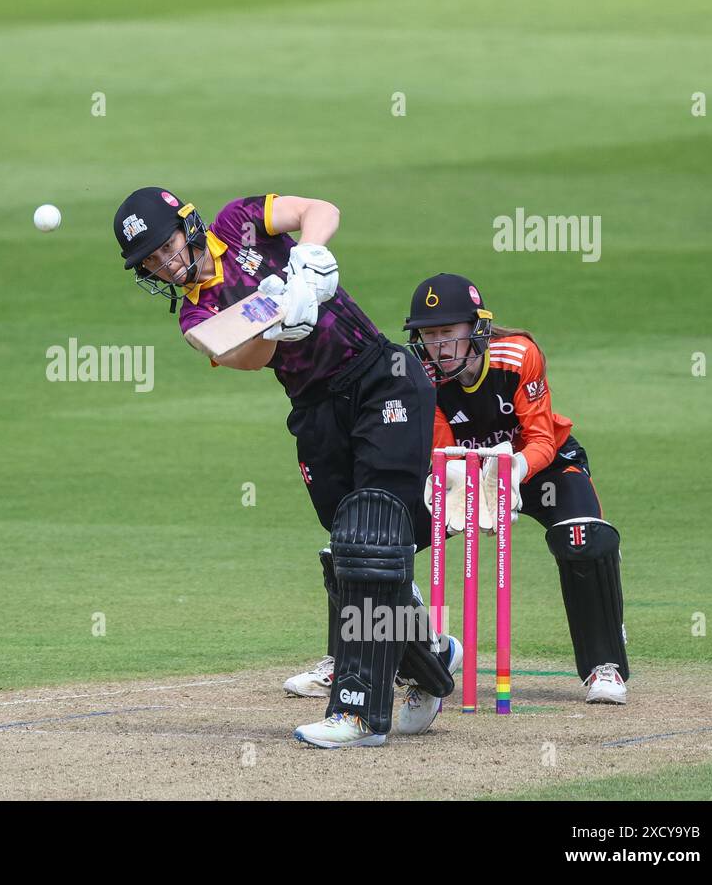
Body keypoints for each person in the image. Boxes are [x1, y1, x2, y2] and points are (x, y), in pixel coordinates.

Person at [113, 187, 461, 747]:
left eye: (165, 246)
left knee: (371, 536)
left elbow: (320, 212)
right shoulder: (198, 315)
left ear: (188, 224)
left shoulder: (240, 222)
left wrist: (307, 260)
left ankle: (358, 715)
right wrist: (277, 320)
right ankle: (428, 661)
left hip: (383, 377)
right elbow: (246, 356)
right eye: (150, 261)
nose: (165, 263)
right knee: (352, 550)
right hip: (317, 410)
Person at [404, 273, 629, 704]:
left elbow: (542, 438)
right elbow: (442, 448)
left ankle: (606, 665)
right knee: (379, 536)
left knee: (582, 538)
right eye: (429, 335)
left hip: (540, 465)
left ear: (477, 328)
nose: (439, 346)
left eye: (448, 333)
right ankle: (400, 656)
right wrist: (462, 487)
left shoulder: (518, 354)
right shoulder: (422, 376)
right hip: (467, 471)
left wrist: (512, 470)